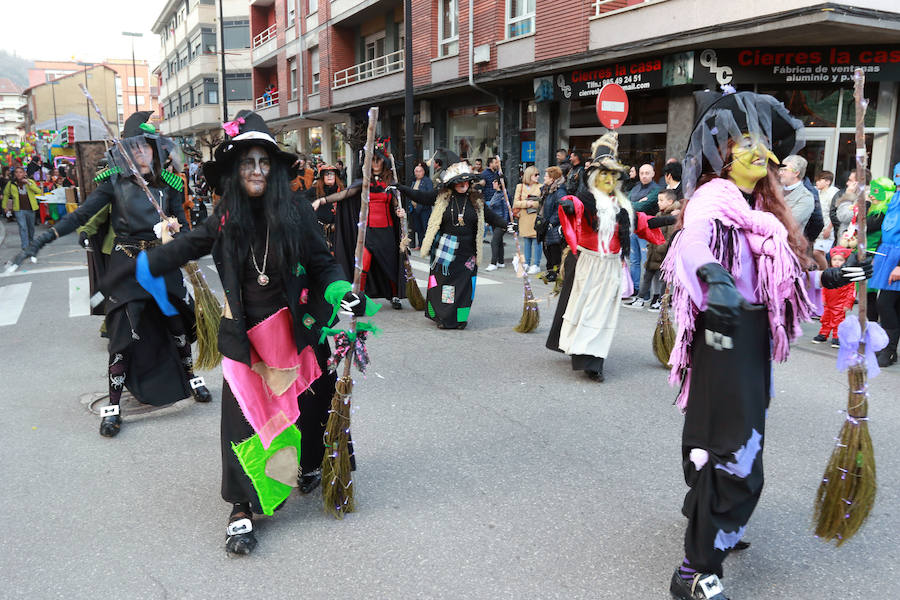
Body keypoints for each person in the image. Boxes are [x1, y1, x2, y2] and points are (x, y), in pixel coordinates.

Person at [661, 90, 872, 600]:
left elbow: (781, 279)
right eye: (747, 143)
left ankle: (708, 520)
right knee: (737, 454)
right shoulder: (714, 199)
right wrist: (714, 277)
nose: (760, 152)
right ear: (724, 152)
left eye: (764, 145)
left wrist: (832, 277)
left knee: (721, 441)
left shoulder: (761, 210)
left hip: (749, 336)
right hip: (722, 334)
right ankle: (694, 569)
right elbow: (690, 243)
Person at [131, 110, 372, 555]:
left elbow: (322, 263)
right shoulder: (225, 217)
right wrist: (145, 264)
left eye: (264, 162)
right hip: (245, 336)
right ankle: (242, 506)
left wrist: (341, 290)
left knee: (311, 405)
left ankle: (310, 465)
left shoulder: (295, 210)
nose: (257, 171)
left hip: (296, 330)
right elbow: (190, 244)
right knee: (242, 418)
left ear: (274, 169)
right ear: (234, 170)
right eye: (248, 163)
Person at [18, 111, 211, 437]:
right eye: (132, 149)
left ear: (154, 149)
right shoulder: (113, 184)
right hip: (128, 267)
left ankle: (190, 377)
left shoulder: (171, 185)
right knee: (121, 339)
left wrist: (177, 230)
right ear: (124, 152)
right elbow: (81, 214)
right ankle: (113, 405)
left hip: (162, 264)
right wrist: (45, 237)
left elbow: (185, 227)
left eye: (145, 147)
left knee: (176, 324)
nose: (140, 153)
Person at [546, 132, 664, 382]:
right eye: (604, 174)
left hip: (611, 266)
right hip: (588, 263)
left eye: (613, 175)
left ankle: (594, 361)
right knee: (584, 310)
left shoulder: (621, 206)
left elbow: (640, 222)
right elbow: (575, 205)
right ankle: (584, 354)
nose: (609, 179)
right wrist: (567, 205)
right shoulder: (587, 200)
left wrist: (668, 219)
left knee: (602, 314)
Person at [396, 162, 507, 329]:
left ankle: (460, 319)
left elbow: (492, 217)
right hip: (445, 248)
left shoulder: (477, 200)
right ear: (452, 183)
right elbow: (421, 197)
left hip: (468, 251)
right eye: (459, 182)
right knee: (444, 286)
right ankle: (444, 317)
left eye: (466, 182)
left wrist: (507, 224)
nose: (463, 185)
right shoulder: (442, 197)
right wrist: (401, 188)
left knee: (464, 288)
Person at [313, 138, 407, 310]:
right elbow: (345, 194)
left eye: (378, 160)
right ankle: (358, 298)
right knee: (362, 264)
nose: (376, 163)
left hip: (387, 232)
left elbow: (397, 205)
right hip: (368, 232)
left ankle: (394, 296)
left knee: (390, 264)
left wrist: (400, 213)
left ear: (384, 162)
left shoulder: (390, 183)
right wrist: (323, 200)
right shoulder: (364, 183)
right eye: (372, 159)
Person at [634, 188, 680, 311]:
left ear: (670, 201)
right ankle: (641, 298)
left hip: (663, 254)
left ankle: (660, 301)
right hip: (653, 252)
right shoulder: (659, 215)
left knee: (662, 279)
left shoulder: (674, 217)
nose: (658, 202)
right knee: (647, 276)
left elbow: (671, 238)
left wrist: (660, 248)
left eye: (661, 200)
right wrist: (650, 246)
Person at [872, 164, 900, 367]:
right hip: (887, 253)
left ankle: (889, 350)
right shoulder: (896, 199)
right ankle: (889, 350)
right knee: (893, 304)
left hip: (897, 258)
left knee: (885, 303)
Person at [624, 163, 661, 301]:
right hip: (633, 227)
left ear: (653, 174)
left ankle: (645, 292)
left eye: (647, 173)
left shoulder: (657, 189)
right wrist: (637, 203)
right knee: (633, 260)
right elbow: (625, 203)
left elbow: (644, 205)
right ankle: (635, 289)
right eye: (642, 173)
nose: (644, 176)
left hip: (647, 229)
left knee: (646, 262)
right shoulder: (635, 188)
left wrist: (635, 204)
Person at [812, 246, 856, 347]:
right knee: (825, 319)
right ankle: (823, 334)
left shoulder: (848, 276)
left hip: (840, 304)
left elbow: (851, 291)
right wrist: (823, 299)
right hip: (828, 302)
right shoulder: (829, 273)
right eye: (834, 259)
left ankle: (837, 336)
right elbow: (824, 287)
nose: (837, 262)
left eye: (840, 260)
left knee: (838, 321)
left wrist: (848, 303)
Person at [3, 166, 41, 258]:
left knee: (30, 227)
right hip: (19, 209)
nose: (19, 174)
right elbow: (6, 195)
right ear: (14, 174)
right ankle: (25, 246)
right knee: (22, 227)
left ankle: (31, 242)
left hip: (30, 208)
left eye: (21, 172)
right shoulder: (11, 184)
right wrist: (5, 207)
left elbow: (38, 191)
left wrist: (28, 183)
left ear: (24, 174)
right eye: (17, 172)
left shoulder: (30, 182)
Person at [513, 165, 542, 274]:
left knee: (536, 241)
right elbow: (515, 202)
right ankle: (526, 263)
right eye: (535, 174)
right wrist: (526, 203)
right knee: (526, 241)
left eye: (538, 174)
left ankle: (536, 264)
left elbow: (541, 202)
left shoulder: (541, 186)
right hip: (524, 217)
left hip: (535, 217)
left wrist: (533, 204)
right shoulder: (520, 187)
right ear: (529, 175)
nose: (538, 176)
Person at [482, 156, 508, 270]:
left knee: (494, 242)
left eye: (494, 181)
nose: (492, 183)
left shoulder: (504, 195)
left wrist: (505, 223)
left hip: (501, 222)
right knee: (499, 242)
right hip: (494, 221)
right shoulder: (496, 194)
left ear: (499, 183)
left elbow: (507, 211)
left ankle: (493, 263)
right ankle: (500, 261)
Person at [540, 166, 566, 280]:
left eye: (546, 175)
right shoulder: (547, 189)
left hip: (554, 225)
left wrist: (552, 222)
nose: (544, 177)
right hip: (546, 223)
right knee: (547, 249)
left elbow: (561, 208)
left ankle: (555, 273)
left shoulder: (560, 191)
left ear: (552, 178)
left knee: (554, 249)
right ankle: (550, 271)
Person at [311, 163, 343, 250]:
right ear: (322, 177)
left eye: (332, 173)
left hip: (338, 234)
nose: (329, 176)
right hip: (319, 234)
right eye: (326, 174)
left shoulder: (342, 191)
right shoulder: (314, 191)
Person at [813, 171, 840, 269]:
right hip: (817, 228)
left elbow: (835, 213)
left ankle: (825, 272)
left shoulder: (833, 193)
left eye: (820, 180)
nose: (817, 183)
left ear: (827, 182)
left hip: (827, 229)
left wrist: (829, 228)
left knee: (817, 252)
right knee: (819, 253)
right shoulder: (817, 192)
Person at [779, 154, 815, 230]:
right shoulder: (774, 190)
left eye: (784, 170)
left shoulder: (806, 197)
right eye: (780, 169)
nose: (780, 173)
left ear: (796, 173)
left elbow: (788, 222)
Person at [406, 161, 434, 251]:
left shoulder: (427, 181)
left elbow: (429, 194)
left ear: (423, 172)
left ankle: (428, 247)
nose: (417, 173)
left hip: (424, 209)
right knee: (418, 229)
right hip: (414, 209)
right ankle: (421, 245)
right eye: (416, 172)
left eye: (419, 171)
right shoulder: (414, 181)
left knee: (426, 228)